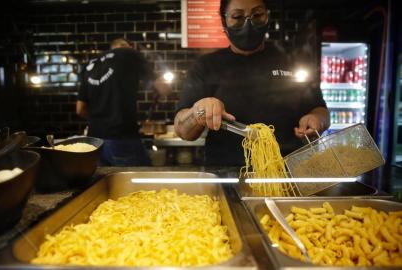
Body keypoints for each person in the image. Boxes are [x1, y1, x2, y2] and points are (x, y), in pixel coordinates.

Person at [174, 0, 330, 166]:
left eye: (257, 15)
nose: (248, 23)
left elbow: (321, 110)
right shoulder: (206, 66)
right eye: (237, 16)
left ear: (267, 17)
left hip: (288, 171)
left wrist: (316, 120)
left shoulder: (291, 61)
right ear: (224, 21)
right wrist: (199, 112)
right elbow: (182, 130)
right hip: (227, 173)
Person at [76, 38, 170, 166]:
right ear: (127, 46)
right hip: (121, 137)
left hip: (94, 141)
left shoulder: (91, 64)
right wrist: (165, 91)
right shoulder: (129, 54)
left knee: (105, 182)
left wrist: (99, 120)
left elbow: (80, 109)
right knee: (140, 178)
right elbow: (161, 86)